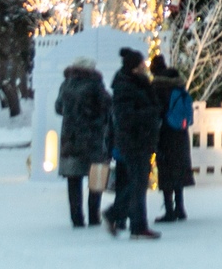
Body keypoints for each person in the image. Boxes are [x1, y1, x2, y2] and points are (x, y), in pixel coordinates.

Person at [104, 47, 162, 239]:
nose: (143, 67)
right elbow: (125, 117)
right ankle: (130, 222)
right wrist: (150, 113)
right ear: (134, 67)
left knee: (138, 183)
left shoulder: (138, 83)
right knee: (137, 183)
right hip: (133, 141)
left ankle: (129, 220)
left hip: (142, 139)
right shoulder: (125, 86)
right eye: (140, 64)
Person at [53, 57, 112, 229]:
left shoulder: (66, 85)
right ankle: (94, 215)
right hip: (92, 138)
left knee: (73, 180)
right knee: (96, 178)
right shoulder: (94, 85)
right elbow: (107, 104)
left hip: (70, 139)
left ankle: (76, 217)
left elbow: (58, 108)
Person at [152, 56, 194, 223]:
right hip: (181, 133)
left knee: (166, 170)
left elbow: (156, 111)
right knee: (179, 168)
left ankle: (169, 210)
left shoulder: (158, 88)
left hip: (165, 133)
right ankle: (180, 208)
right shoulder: (179, 85)